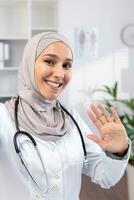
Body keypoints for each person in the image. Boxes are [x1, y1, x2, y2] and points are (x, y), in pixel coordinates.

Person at [0, 32, 131, 200]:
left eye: (67, 65)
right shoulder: (4, 118)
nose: (60, 73)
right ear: (29, 64)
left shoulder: (72, 119)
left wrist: (117, 151)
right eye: (49, 61)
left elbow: (104, 177)